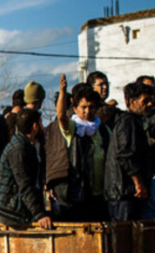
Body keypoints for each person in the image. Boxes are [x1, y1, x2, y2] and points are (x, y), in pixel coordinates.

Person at [46, 74, 109, 221]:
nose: (87, 111)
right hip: (78, 195)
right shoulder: (73, 128)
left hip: (100, 195)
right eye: (83, 107)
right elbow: (61, 117)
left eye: (91, 107)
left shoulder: (104, 130)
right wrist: (62, 92)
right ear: (75, 108)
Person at [0, 109, 54, 229]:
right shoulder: (18, 149)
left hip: (10, 206)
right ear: (35, 126)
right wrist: (39, 215)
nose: (42, 126)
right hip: (8, 211)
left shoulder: (24, 144)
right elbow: (24, 185)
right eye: (41, 122)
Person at [105, 82, 155, 221]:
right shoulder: (128, 122)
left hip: (126, 193)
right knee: (124, 236)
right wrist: (138, 183)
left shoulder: (134, 122)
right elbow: (126, 155)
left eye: (151, 100)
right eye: (145, 101)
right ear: (132, 102)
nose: (150, 104)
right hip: (123, 194)